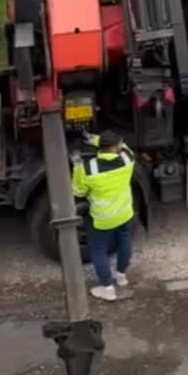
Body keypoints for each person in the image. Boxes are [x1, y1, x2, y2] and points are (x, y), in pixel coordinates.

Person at [72, 129, 135, 302]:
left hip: (102, 219)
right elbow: (124, 146)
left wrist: (77, 164)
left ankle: (107, 289)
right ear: (116, 148)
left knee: (98, 250)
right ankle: (121, 276)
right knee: (125, 241)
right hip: (124, 213)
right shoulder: (127, 159)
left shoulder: (88, 169)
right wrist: (94, 139)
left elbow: (78, 191)